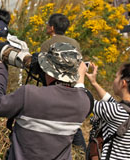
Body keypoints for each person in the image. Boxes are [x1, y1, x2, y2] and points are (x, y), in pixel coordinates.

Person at [0, 42, 92, 160]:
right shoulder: (84, 103)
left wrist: (0, 68)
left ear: (47, 69)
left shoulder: (29, 94)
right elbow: (80, 88)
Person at [77, 60, 130, 159]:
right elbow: (112, 103)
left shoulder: (116, 111)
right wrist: (94, 83)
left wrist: (80, 75)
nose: (114, 80)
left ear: (123, 83)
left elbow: (83, 100)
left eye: (116, 77)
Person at [40, 13, 86, 151]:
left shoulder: (47, 44)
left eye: (48, 24)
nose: (46, 26)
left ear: (52, 27)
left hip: (52, 87)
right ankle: (80, 150)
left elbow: (43, 68)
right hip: (71, 85)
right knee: (71, 122)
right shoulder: (74, 43)